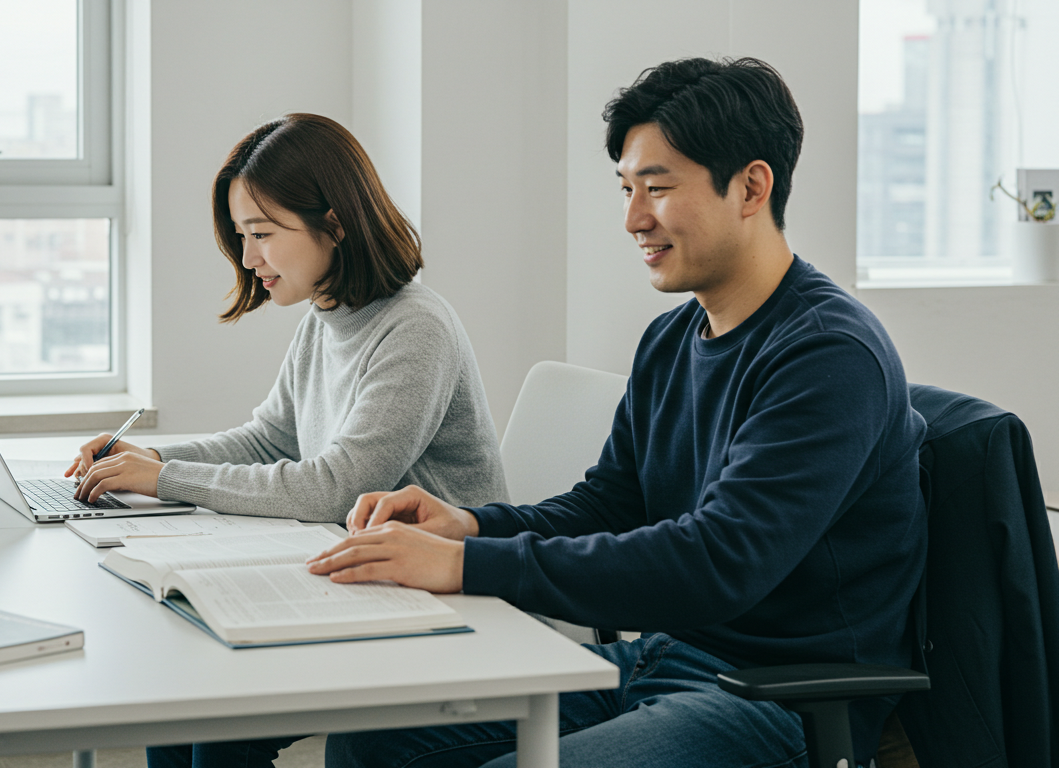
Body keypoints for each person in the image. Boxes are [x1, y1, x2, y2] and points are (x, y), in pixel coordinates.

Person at [308, 57, 927, 768]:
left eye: (658, 189)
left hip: (775, 701)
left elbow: (718, 561)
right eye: (628, 188)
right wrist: (472, 523)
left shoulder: (828, 354)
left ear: (752, 187)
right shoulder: (673, 336)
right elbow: (613, 501)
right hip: (658, 662)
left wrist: (467, 563)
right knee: (370, 743)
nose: (633, 219)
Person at [67, 113, 506, 523]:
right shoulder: (324, 318)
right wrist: (153, 460)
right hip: (371, 561)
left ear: (335, 226)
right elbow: (270, 442)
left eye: (261, 233)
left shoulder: (416, 329)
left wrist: (165, 480)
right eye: (242, 236)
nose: (247, 257)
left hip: (458, 588)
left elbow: (338, 489)